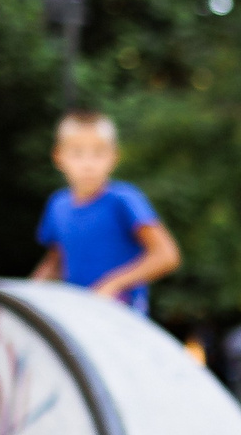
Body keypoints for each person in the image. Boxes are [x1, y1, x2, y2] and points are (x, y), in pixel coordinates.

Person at [33, 111, 181, 312]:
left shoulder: (124, 199)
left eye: (98, 153)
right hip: (78, 315)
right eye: (77, 153)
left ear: (114, 156)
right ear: (59, 157)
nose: (88, 164)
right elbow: (56, 262)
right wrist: (30, 294)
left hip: (122, 318)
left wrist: (113, 284)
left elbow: (167, 255)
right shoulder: (58, 205)